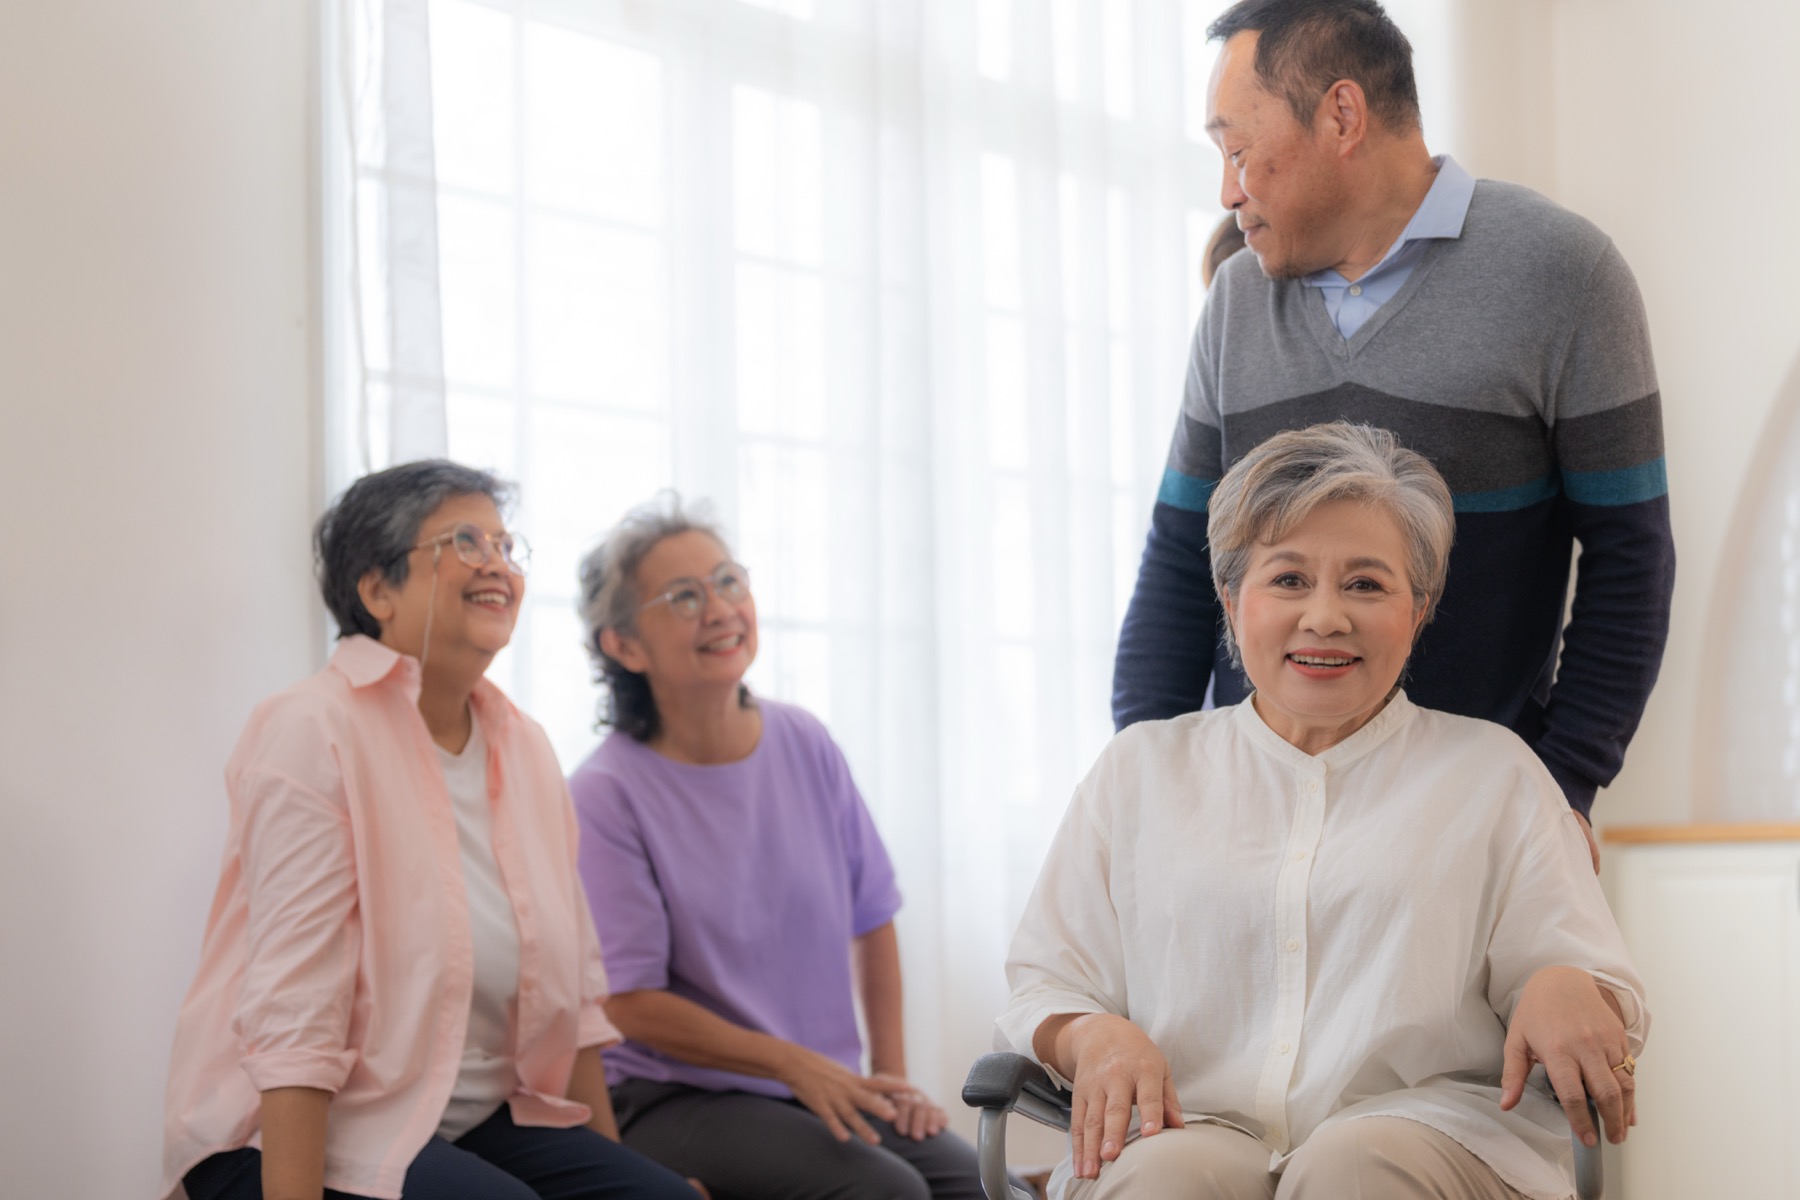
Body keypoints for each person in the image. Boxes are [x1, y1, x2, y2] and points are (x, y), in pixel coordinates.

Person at [1004, 422, 1647, 1200]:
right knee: (1168, 1180)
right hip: (1187, 1125)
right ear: (1232, 599)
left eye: (1367, 584)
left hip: (1429, 1135)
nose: (1325, 617)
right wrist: (1091, 1035)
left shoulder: (1497, 773)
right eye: (1288, 580)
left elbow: (1602, 992)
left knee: (1355, 1166)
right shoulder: (1140, 770)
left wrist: (1566, 982)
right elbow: (1045, 980)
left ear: (1419, 609)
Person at [1112, 0, 1675, 869]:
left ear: (1343, 115)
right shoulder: (1235, 305)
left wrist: (1564, 788)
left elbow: (1631, 558)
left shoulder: (1566, 274)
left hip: (1468, 837)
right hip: (1248, 834)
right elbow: (1180, 557)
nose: (1228, 192)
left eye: (1237, 149)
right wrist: (1143, 777)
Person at [160, 461, 697, 1200]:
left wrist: (619, 1173)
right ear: (376, 591)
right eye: (465, 542)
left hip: (465, 1119)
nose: (497, 566)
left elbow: (577, 1002)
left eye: (507, 548)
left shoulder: (527, 746)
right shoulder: (312, 729)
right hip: (290, 1131)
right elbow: (295, 1015)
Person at [567, 495, 996, 1200]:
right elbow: (628, 1001)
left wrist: (889, 1076)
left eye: (728, 581)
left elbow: (873, 915)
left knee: (987, 1188)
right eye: (683, 596)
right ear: (622, 645)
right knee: (888, 1195)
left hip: (819, 1084)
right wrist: (790, 1063)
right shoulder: (604, 794)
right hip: (674, 1096)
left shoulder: (804, 741)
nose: (719, 608)